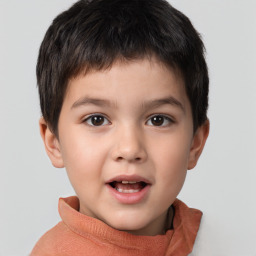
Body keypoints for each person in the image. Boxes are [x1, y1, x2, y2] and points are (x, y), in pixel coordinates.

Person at [31, 0, 209, 255]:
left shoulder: (224, 243)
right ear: (53, 142)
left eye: (158, 120)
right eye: (97, 119)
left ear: (195, 142)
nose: (129, 149)